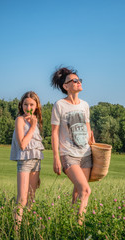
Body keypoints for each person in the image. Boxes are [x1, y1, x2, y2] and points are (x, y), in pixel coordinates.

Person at [50, 67, 95, 225]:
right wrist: (56, 158)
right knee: (85, 190)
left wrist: (94, 147)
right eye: (74, 81)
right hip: (68, 155)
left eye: (79, 80)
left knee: (77, 193)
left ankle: (69, 225)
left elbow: (88, 129)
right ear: (66, 86)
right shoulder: (59, 105)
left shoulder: (85, 105)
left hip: (86, 155)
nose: (78, 83)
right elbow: (54, 133)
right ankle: (79, 226)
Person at [10, 91, 44, 227]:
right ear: (21, 105)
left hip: (36, 162)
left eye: (31, 104)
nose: (28, 107)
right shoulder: (20, 120)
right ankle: (15, 231)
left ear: (36, 106)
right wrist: (33, 126)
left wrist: (35, 124)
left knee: (31, 199)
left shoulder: (36, 120)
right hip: (25, 162)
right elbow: (23, 145)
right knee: (22, 199)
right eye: (25, 104)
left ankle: (26, 227)